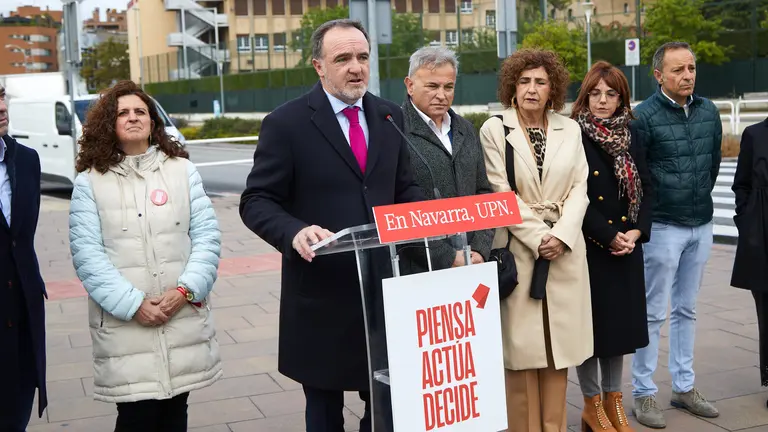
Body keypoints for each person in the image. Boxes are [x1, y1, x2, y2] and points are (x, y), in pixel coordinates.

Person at [238, 19, 423, 432]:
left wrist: (427, 220)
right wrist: (294, 231)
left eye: (362, 57)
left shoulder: (390, 116)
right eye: (343, 59)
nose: (356, 67)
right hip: (322, 295)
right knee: (324, 412)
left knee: (387, 407)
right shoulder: (286, 124)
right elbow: (257, 201)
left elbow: (404, 188)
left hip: (382, 292)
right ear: (319, 66)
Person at [68, 80, 223, 432]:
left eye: (141, 111)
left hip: (180, 315)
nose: (133, 117)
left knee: (174, 414)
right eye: (123, 112)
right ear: (109, 124)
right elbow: (87, 256)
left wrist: (184, 291)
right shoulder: (90, 182)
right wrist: (134, 303)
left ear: (153, 122)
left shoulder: (181, 170)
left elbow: (207, 239)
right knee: (137, 417)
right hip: (127, 325)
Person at [478, 48, 593, 432]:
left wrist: (561, 235)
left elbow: (581, 187)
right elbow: (499, 191)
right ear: (512, 85)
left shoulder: (569, 128)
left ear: (553, 89)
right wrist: (539, 236)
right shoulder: (494, 129)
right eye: (524, 81)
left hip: (563, 250)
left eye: (540, 82)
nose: (531, 89)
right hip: (519, 248)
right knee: (522, 352)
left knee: (558, 350)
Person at [630, 41, 722, 428]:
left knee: (687, 309)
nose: (687, 76)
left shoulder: (709, 111)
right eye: (678, 70)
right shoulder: (644, 118)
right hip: (664, 227)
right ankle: (643, 393)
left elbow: (713, 163)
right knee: (653, 312)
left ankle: (684, 387)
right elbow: (639, 175)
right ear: (658, 75)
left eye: (691, 68)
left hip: (700, 224)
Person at [571, 61, 652, 432]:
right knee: (592, 329)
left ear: (622, 98)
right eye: (595, 93)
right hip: (590, 246)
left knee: (618, 329)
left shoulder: (632, 133)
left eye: (611, 93)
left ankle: (612, 400)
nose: (602, 101)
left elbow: (648, 187)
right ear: (585, 95)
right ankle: (591, 404)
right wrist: (607, 235)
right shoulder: (573, 133)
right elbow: (572, 195)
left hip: (626, 246)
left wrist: (636, 233)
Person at [399, 46, 494, 273]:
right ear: (410, 86)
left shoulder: (466, 129)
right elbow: (396, 207)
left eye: (448, 87)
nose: (442, 95)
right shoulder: (395, 130)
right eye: (432, 86)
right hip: (420, 270)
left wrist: (480, 249)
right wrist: (447, 257)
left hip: (472, 264)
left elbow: (483, 193)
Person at [0, 83, 48, 431]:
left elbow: (23, 238)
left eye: (0, 97)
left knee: (17, 415)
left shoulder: (27, 160)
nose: (1, 107)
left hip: (21, 311)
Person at [730, 117, 768, 405]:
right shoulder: (754, 134)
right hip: (762, 233)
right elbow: (740, 184)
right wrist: (747, 221)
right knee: (766, 311)